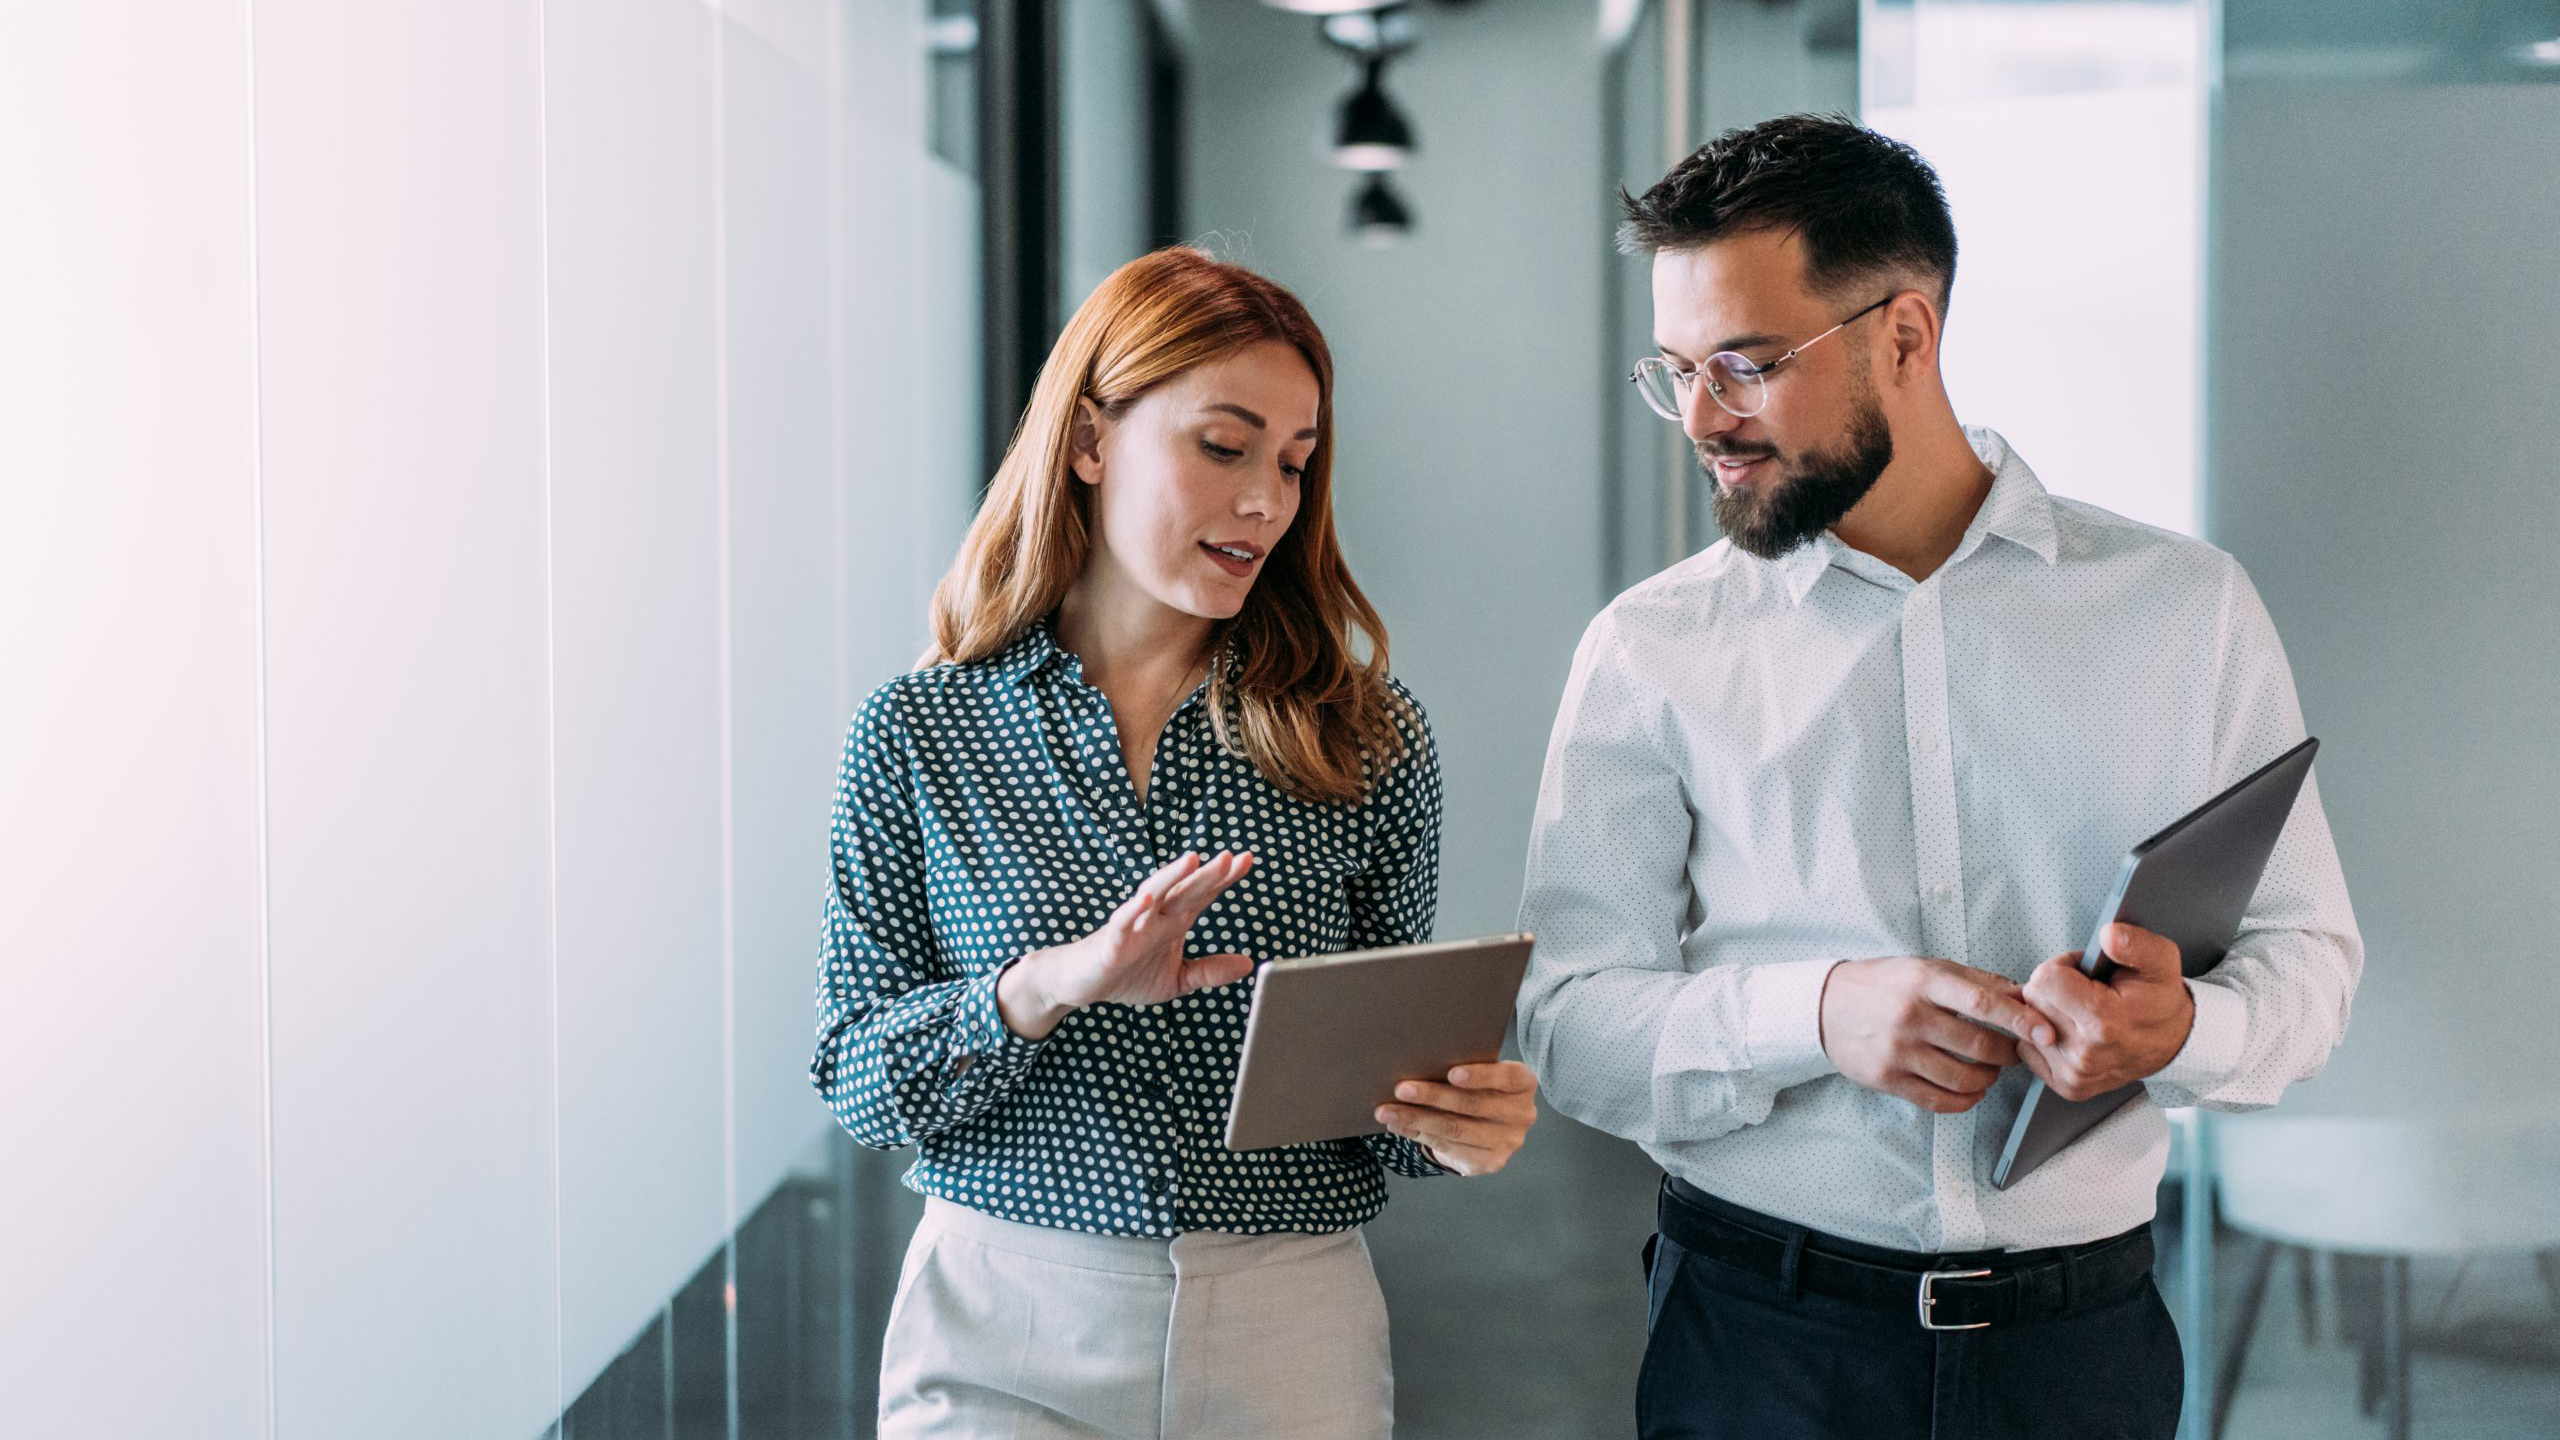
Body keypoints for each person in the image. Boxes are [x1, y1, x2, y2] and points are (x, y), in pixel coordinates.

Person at [1516, 116, 2361, 1440]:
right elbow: (1569, 1026)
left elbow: (2309, 970)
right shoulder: (1652, 647)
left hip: (2083, 1354)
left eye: (1744, 364)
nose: (1701, 418)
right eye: (1674, 370)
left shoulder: (2184, 611)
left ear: (1905, 337)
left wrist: (2183, 1031)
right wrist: (1821, 1012)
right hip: (1760, 1345)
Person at [813, 247, 1540, 1440]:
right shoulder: (918, 732)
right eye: (1223, 446)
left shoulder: (1365, 737)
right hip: (1000, 1318)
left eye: (1294, 464)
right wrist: (1044, 987)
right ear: (1092, 440)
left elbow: (1384, 1106)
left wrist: (1457, 1123)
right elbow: (858, 1079)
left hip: (1285, 1319)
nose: (1265, 499)